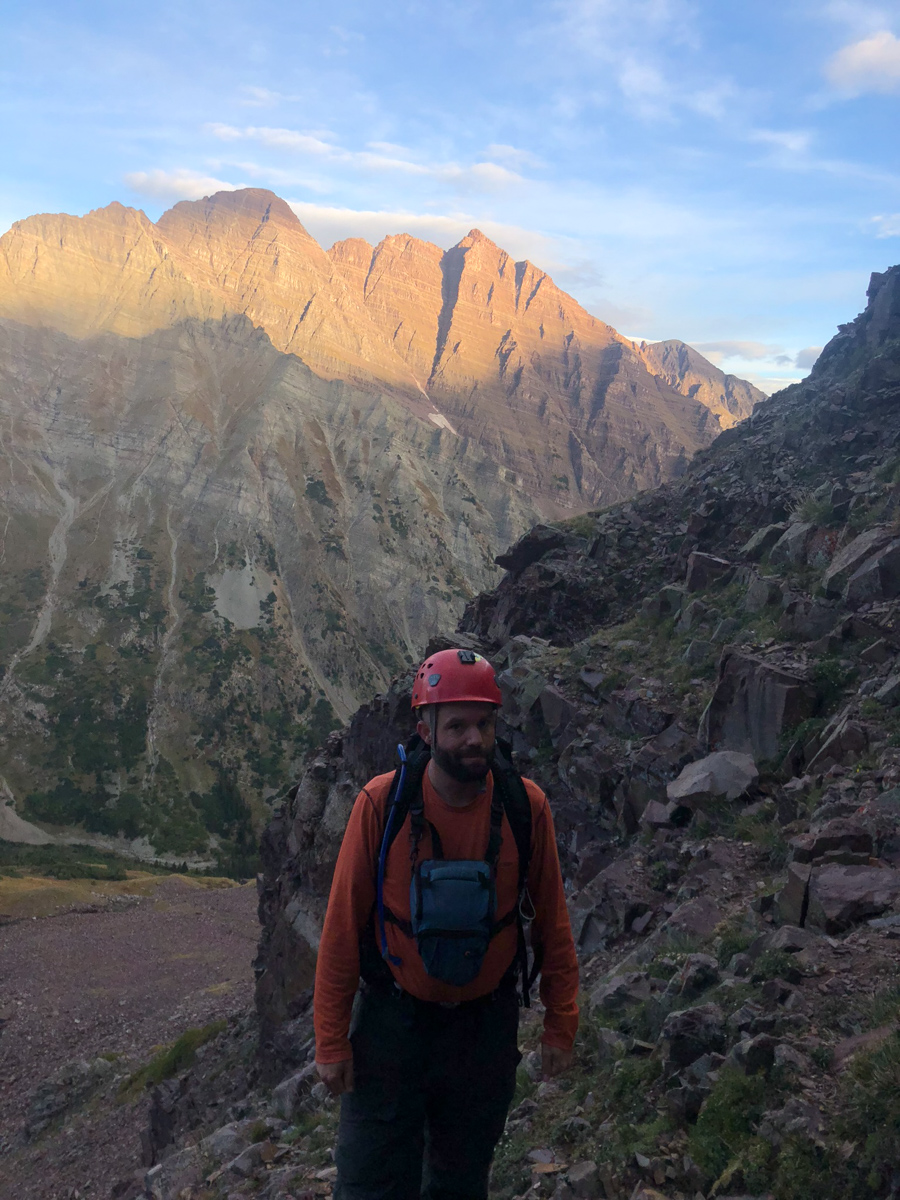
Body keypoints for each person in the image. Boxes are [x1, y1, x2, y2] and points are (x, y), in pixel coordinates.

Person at [313, 648, 579, 1200]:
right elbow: (341, 928)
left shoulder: (526, 806)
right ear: (425, 730)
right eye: (456, 725)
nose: (474, 739)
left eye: (483, 723)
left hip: (483, 1034)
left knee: (459, 1186)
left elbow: (551, 924)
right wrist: (331, 1041)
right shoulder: (381, 804)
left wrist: (561, 1024)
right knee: (369, 1186)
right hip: (391, 1026)